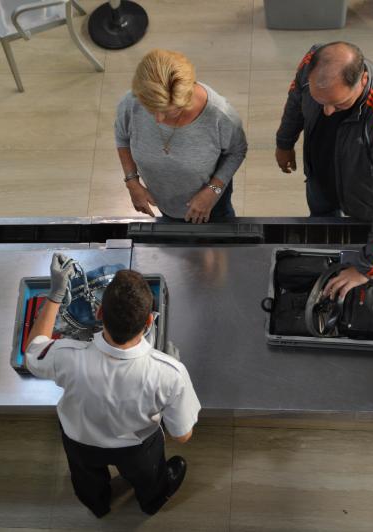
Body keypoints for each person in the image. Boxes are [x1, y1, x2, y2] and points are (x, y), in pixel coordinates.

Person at [24, 254, 201, 517]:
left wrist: (55, 293)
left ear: (98, 313)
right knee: (149, 480)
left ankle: (97, 505)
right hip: (138, 449)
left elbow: (32, 351)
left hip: (79, 442)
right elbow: (183, 436)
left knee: (86, 481)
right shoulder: (169, 373)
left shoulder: (66, 355)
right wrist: (168, 383)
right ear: (150, 321)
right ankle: (151, 501)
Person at [275, 41, 373, 300]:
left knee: (367, 231)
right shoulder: (311, 62)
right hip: (320, 176)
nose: (327, 112)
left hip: (363, 196)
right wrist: (285, 141)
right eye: (320, 102)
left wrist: (367, 268)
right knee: (322, 221)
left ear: (362, 80)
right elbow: (295, 100)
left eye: (337, 105)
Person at [115, 49, 247, 223]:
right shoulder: (131, 102)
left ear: (188, 97)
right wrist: (132, 182)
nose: (158, 119)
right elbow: (122, 137)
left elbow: (237, 151)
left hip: (211, 205)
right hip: (165, 204)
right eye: (151, 109)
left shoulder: (221, 116)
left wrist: (212, 191)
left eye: (171, 112)